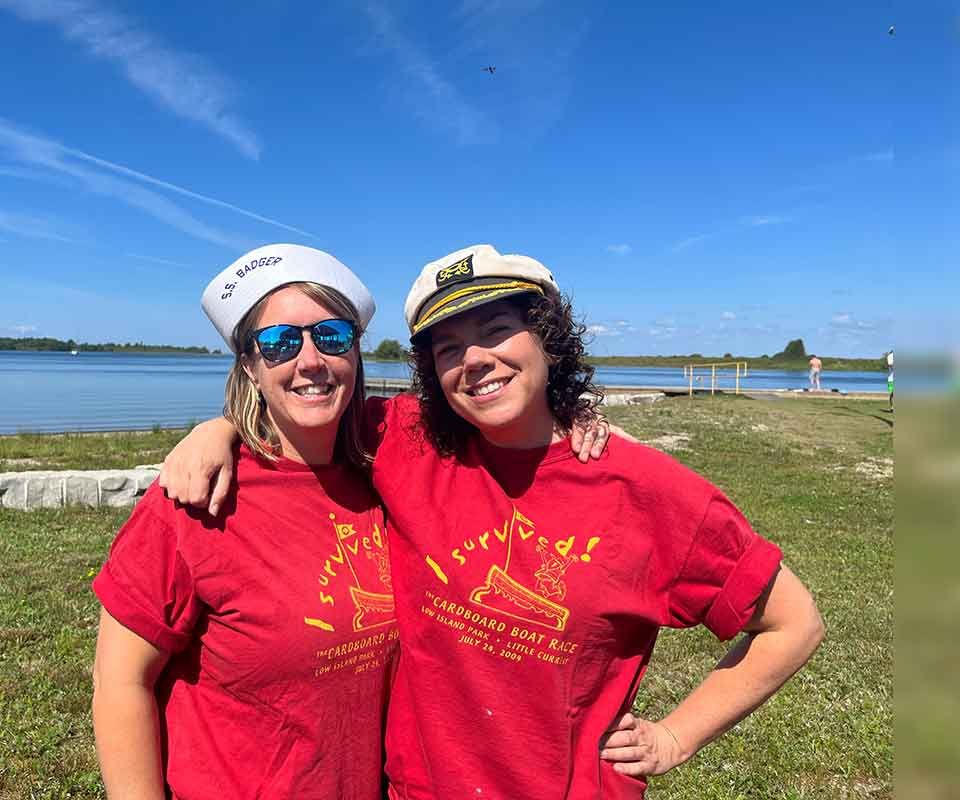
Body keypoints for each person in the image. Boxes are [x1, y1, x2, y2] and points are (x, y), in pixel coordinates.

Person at [163, 244, 825, 799]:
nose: (474, 358)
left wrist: (676, 735)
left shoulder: (645, 488)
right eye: (448, 346)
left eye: (496, 329)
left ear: (548, 338)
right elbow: (301, 404)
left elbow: (793, 624)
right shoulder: (409, 444)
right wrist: (218, 427)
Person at [91, 244, 399, 799]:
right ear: (251, 369)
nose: (310, 361)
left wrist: (575, 415)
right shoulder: (197, 499)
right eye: (279, 343)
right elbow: (120, 684)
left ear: (355, 355)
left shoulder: (388, 474)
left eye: (331, 336)